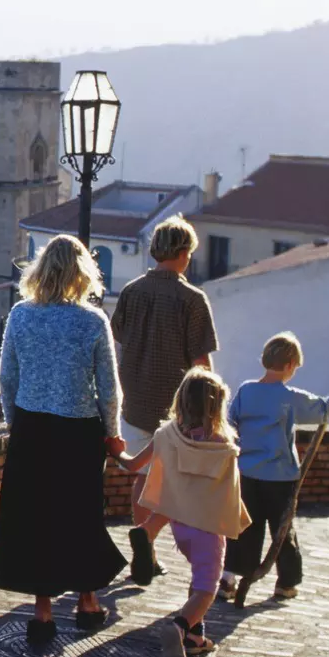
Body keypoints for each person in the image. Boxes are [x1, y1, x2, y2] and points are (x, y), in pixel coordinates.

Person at [0, 234, 127, 648]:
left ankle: (43, 613)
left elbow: (7, 377)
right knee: (80, 514)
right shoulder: (92, 321)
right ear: (81, 272)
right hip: (78, 430)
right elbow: (109, 387)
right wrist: (113, 432)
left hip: (32, 427)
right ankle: (86, 602)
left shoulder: (20, 316)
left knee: (35, 518)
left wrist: (16, 424)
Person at [110, 215, 219, 586]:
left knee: (142, 476)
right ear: (185, 253)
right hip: (178, 408)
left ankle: (146, 549)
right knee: (174, 481)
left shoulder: (131, 291)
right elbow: (201, 361)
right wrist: (212, 404)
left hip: (135, 399)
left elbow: (119, 342)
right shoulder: (192, 299)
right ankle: (149, 540)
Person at [123, 367, 251, 657]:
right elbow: (229, 493)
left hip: (179, 525)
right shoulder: (224, 447)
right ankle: (179, 628)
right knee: (207, 588)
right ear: (217, 406)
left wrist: (116, 449)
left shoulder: (167, 434)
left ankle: (195, 637)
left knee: (198, 580)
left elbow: (133, 465)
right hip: (208, 529)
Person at [221, 332, 329, 602]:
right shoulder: (289, 397)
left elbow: (231, 423)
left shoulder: (246, 390)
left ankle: (228, 577)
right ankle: (286, 582)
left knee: (243, 526)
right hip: (280, 476)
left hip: (246, 472)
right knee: (282, 529)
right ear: (289, 365)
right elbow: (326, 409)